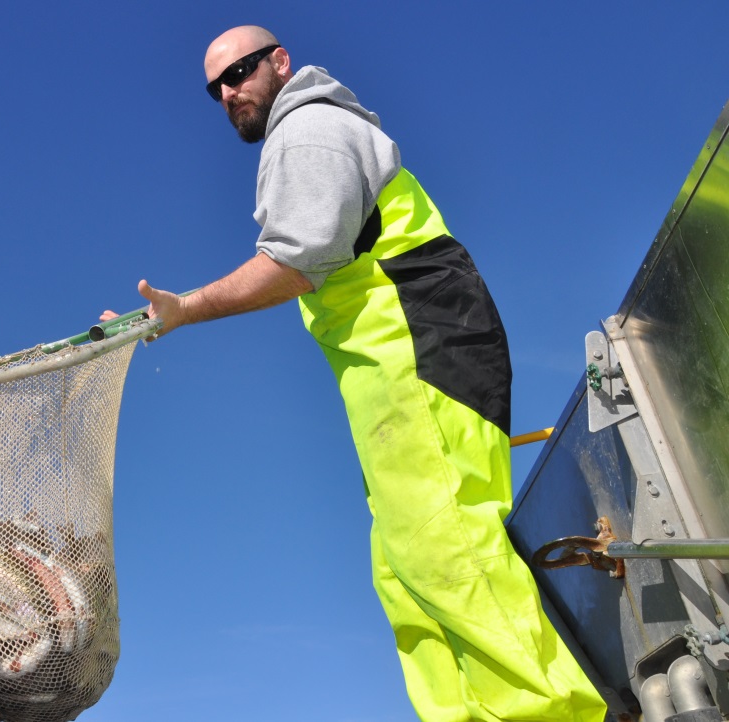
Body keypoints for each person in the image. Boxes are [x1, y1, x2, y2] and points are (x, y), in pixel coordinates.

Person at [108, 26, 609, 721]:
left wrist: (185, 309)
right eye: (216, 86)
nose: (228, 92)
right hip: (387, 376)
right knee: (405, 574)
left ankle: (555, 713)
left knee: (449, 551)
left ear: (280, 62)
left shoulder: (308, 128)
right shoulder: (299, 137)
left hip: (421, 353)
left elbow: (297, 259)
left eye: (242, 71)